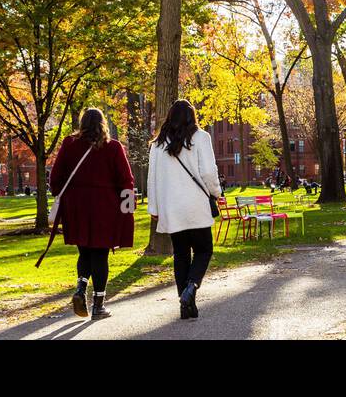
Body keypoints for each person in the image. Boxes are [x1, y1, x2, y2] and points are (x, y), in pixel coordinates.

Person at [49, 108, 135, 321]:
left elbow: (56, 176)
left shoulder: (69, 144)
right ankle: (98, 305)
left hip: (76, 207)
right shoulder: (113, 147)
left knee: (85, 252)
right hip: (104, 207)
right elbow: (126, 179)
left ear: (82, 123)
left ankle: (80, 288)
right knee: (100, 255)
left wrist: (63, 196)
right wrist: (127, 208)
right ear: (103, 123)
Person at [148, 99, 222, 321]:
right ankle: (191, 288)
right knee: (204, 250)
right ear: (192, 117)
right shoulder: (201, 138)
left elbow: (152, 179)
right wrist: (216, 192)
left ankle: (185, 305)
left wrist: (154, 207)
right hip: (196, 205)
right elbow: (209, 172)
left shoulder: (158, 144)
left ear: (170, 117)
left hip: (172, 208)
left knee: (180, 254)